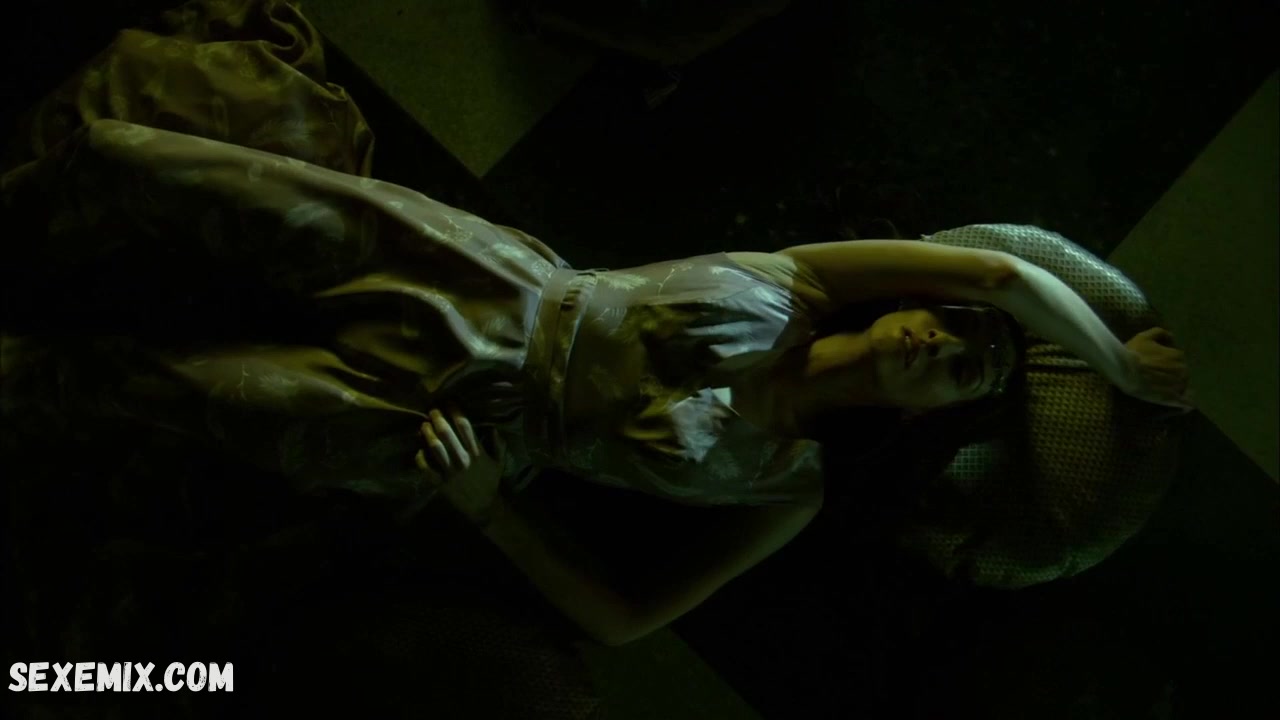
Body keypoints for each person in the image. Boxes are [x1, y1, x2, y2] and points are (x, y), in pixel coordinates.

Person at [0, 0, 1191, 649]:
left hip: (446, 427)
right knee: (129, 158)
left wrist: (484, 510)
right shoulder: (801, 283)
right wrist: (1114, 366)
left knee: (121, 386)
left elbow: (623, 622)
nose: (950, 342)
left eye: (967, 373)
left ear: (921, 421)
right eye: (954, 326)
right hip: (476, 278)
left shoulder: (785, 489)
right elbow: (994, 270)